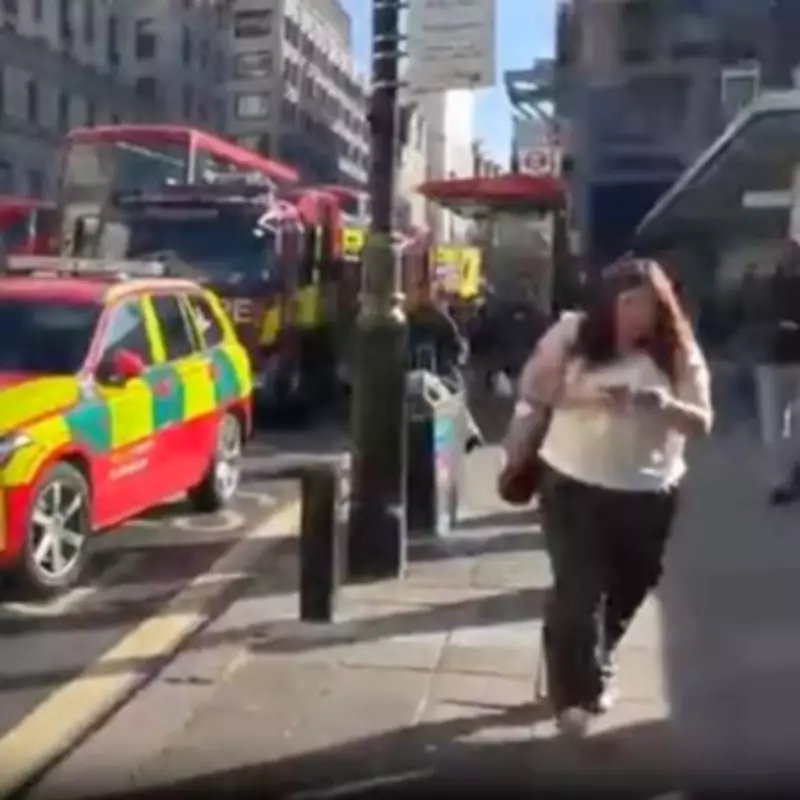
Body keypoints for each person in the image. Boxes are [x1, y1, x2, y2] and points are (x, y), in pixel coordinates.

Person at [516, 257, 712, 737]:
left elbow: (703, 422)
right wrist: (589, 398)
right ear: (608, 303)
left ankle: (589, 653)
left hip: (648, 490)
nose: (634, 314)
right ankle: (573, 698)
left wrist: (663, 405)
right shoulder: (573, 335)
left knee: (632, 586)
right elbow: (534, 388)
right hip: (572, 482)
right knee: (578, 593)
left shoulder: (678, 352)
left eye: (644, 304)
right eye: (625, 302)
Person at [407, 283, 483, 451]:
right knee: (450, 400)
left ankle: (466, 436)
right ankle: (468, 436)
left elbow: (455, 350)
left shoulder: (433, 320)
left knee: (450, 399)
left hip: (430, 376)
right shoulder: (430, 320)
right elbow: (457, 351)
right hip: (429, 377)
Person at [754, 240, 800, 505]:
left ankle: (786, 477)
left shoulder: (768, 285)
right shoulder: (767, 285)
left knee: (785, 424)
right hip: (772, 359)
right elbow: (752, 316)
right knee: (776, 425)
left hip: (778, 358)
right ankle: (781, 480)